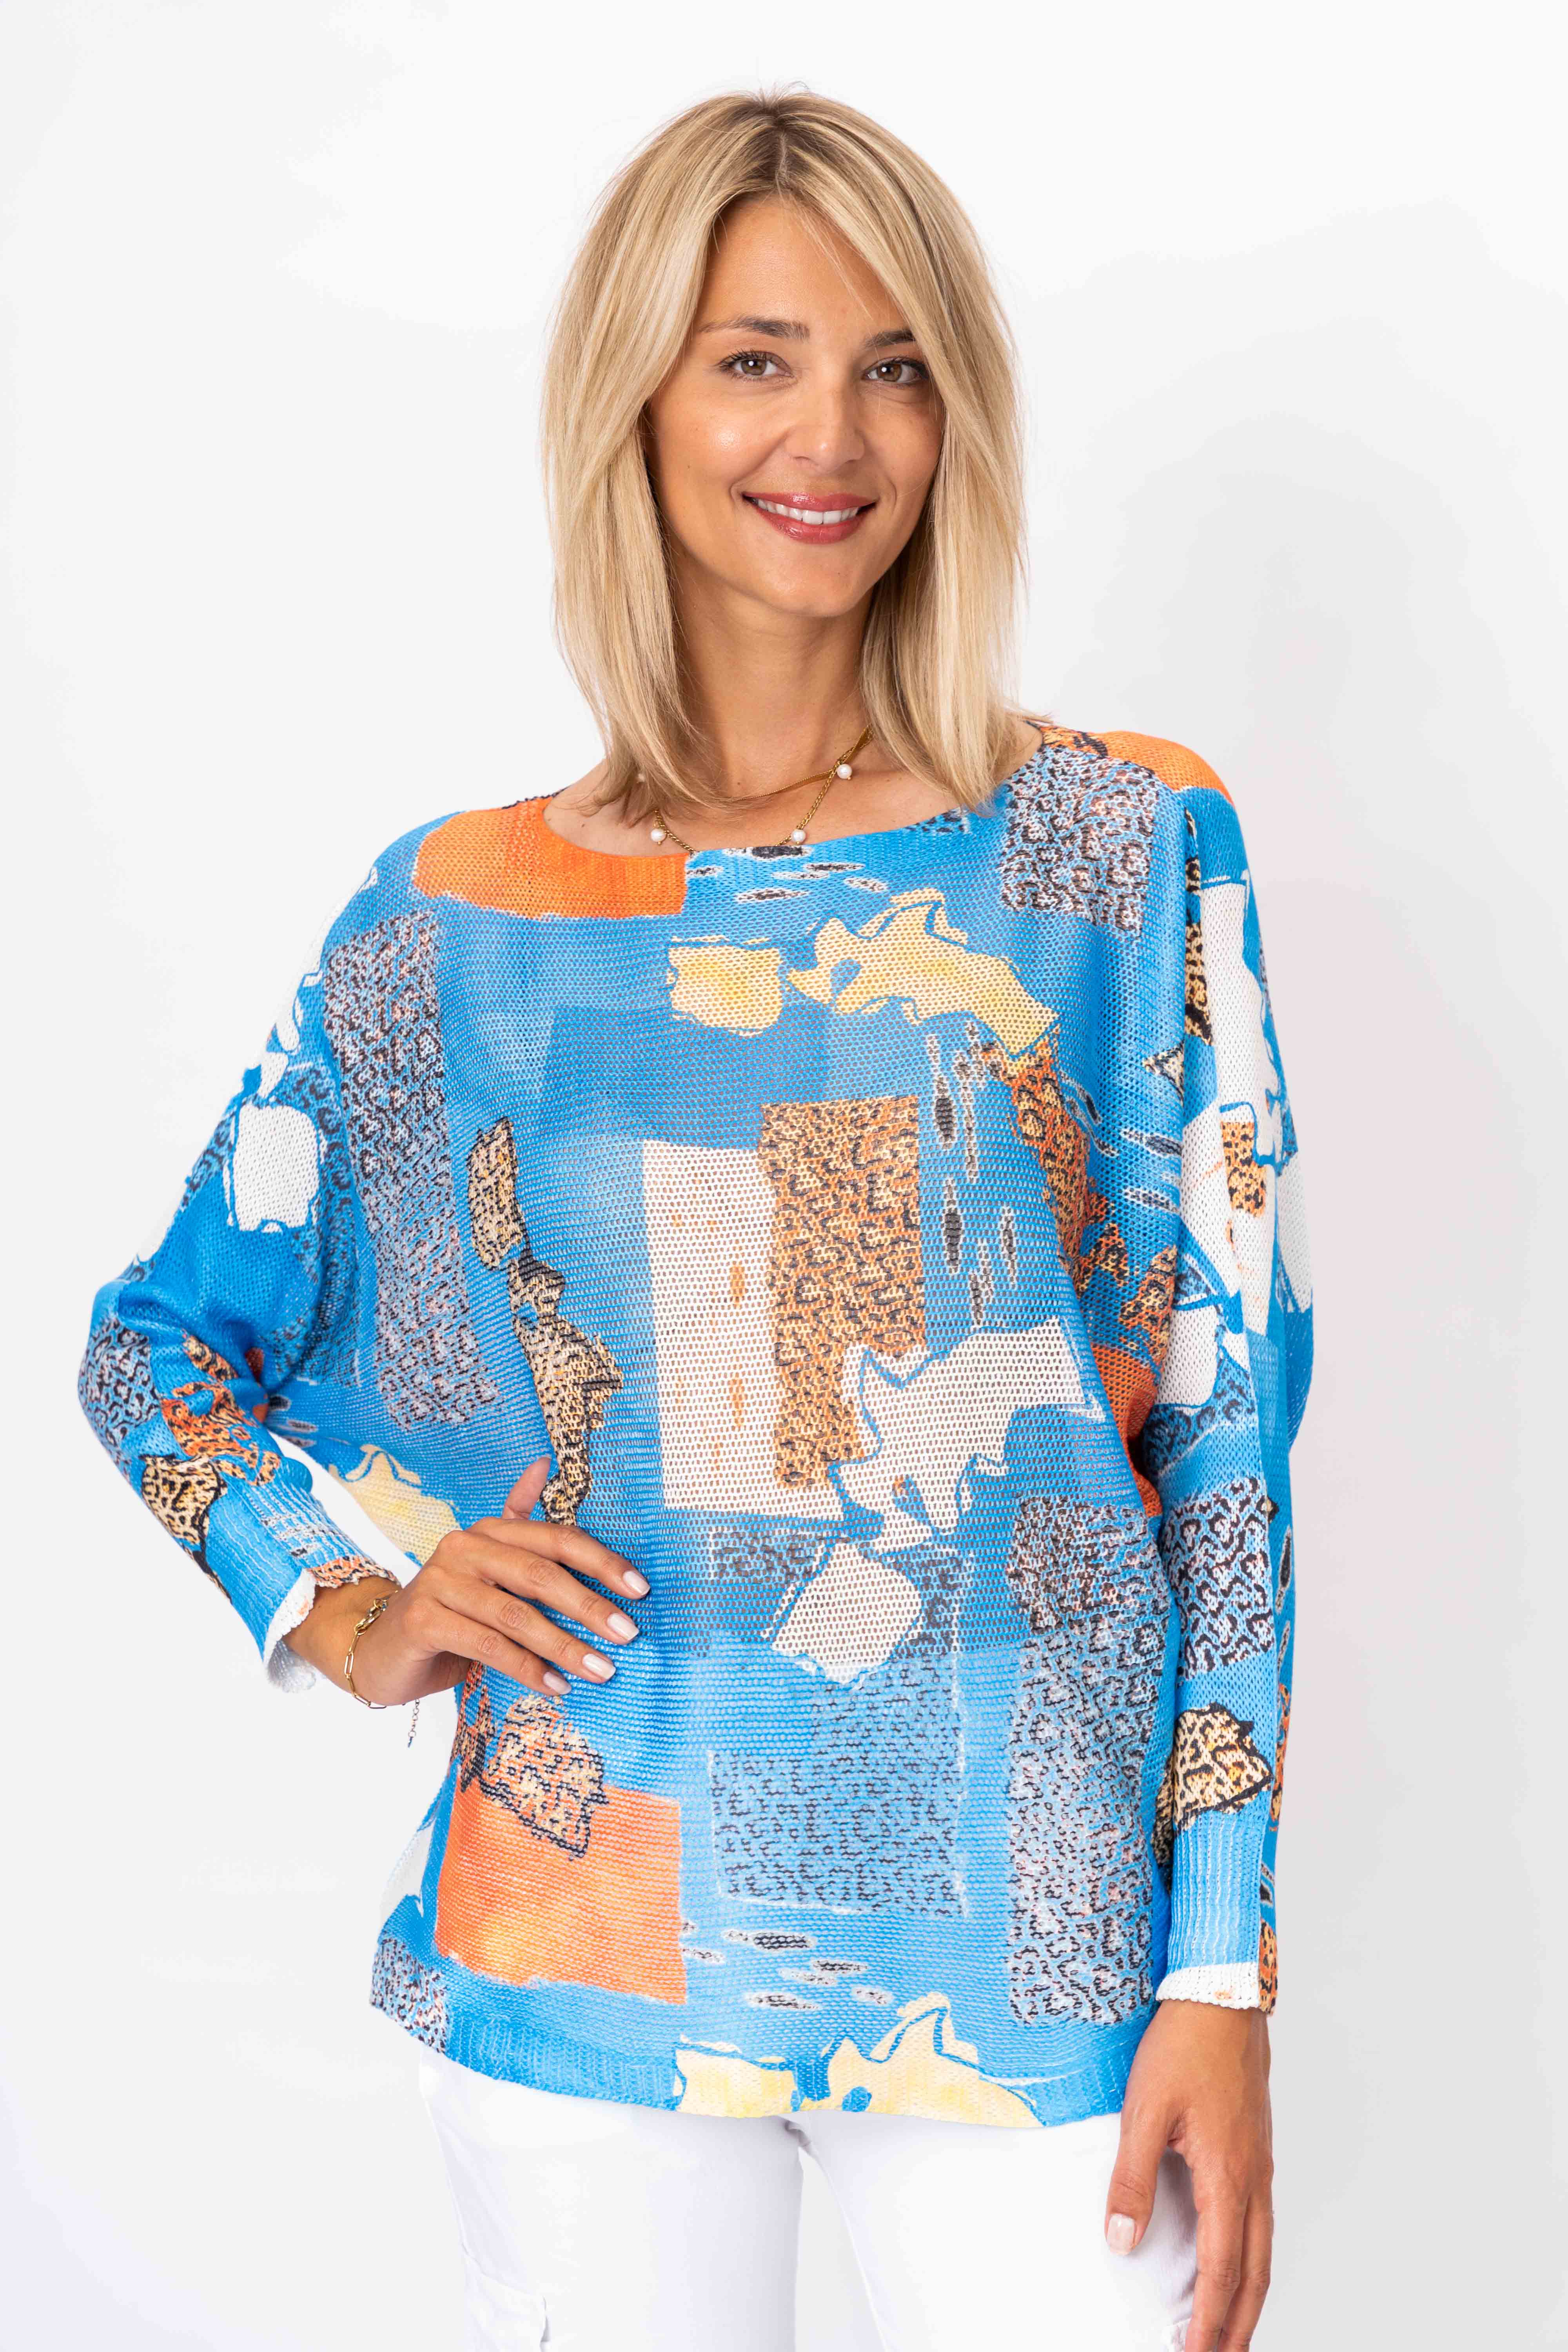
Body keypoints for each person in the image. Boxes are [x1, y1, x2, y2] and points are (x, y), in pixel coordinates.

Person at [77, 87, 1313, 2352]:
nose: (831, 435)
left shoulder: (1119, 850)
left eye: (895, 366)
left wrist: (1219, 1973)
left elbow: (1225, 1435)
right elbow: (158, 1342)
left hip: (1036, 1934)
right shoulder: (462, 912)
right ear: (635, 401)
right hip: (586, 1925)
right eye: (756, 358)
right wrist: (348, 1609)